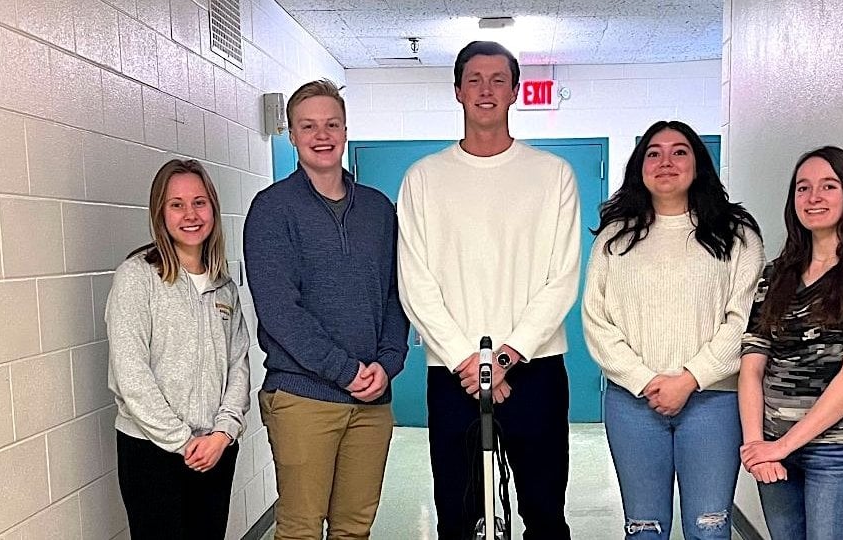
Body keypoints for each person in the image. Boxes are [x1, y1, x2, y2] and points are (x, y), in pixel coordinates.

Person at [396, 41, 581, 539]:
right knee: (457, 518)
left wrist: (505, 358)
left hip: (535, 369)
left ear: (515, 91)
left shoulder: (552, 175)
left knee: (544, 513)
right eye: (474, 79)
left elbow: (560, 278)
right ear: (457, 90)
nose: (485, 90)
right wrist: (471, 361)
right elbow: (416, 284)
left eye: (498, 79)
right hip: (452, 372)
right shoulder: (424, 180)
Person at [244, 79, 409, 540]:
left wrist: (388, 362)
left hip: (372, 399)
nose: (322, 135)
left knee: (354, 529)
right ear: (292, 135)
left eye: (331, 124)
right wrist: (344, 369)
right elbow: (279, 310)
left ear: (345, 130)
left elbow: (397, 294)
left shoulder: (378, 210)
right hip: (303, 398)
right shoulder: (272, 210)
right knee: (300, 529)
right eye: (308, 126)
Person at [583, 120, 764, 539]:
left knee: (709, 528)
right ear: (639, 166)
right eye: (653, 152)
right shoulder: (615, 236)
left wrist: (689, 379)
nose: (666, 161)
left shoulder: (736, 235)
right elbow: (596, 319)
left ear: (698, 164)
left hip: (713, 402)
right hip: (632, 404)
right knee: (644, 529)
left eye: (679, 151)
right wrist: (645, 380)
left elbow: (744, 320)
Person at [738, 146, 843, 540]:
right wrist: (757, 444)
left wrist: (782, 446)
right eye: (803, 188)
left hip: (840, 452)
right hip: (773, 446)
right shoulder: (776, 274)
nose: (813, 198)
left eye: (828, 186)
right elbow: (752, 365)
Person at [107, 158, 250, 539]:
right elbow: (131, 373)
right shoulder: (137, 277)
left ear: (213, 210)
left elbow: (239, 365)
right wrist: (183, 442)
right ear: (160, 213)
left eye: (199, 202)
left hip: (215, 451)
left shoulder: (224, 286)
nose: (190, 214)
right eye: (177, 204)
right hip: (152, 452)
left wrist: (224, 433)